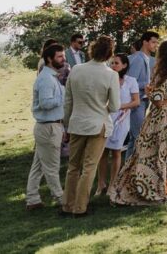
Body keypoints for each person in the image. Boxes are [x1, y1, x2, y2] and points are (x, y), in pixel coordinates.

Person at [109, 39, 167, 205]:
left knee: (151, 153)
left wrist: (148, 91)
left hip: (160, 116)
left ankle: (154, 189)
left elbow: (157, 101)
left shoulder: (161, 72)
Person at [62, 35, 120, 216]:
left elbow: (68, 101)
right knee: (89, 167)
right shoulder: (111, 75)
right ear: (110, 54)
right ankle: (80, 207)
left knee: (73, 167)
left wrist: (67, 124)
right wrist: (102, 107)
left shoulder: (76, 70)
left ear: (92, 50)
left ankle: (67, 205)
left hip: (76, 123)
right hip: (97, 124)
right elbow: (115, 106)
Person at [25, 43, 66, 211]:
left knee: (38, 166)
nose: (63, 59)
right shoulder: (46, 79)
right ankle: (61, 198)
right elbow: (45, 103)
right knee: (52, 166)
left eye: (63, 56)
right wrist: (63, 97)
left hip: (50, 126)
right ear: (49, 59)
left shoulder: (51, 77)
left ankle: (32, 199)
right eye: (60, 56)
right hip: (48, 127)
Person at [95, 54, 140, 197]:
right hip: (106, 118)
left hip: (122, 119)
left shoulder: (131, 81)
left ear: (124, 65)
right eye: (112, 63)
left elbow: (136, 101)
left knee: (116, 151)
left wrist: (121, 106)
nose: (113, 65)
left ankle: (113, 184)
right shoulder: (105, 79)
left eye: (116, 63)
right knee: (102, 152)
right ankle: (101, 184)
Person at [125, 30, 159, 159]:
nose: (156, 45)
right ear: (145, 42)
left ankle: (128, 166)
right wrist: (148, 84)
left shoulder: (149, 59)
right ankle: (134, 165)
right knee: (138, 136)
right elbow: (130, 82)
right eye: (153, 42)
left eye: (156, 42)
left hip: (144, 101)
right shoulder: (137, 59)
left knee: (135, 138)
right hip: (136, 102)